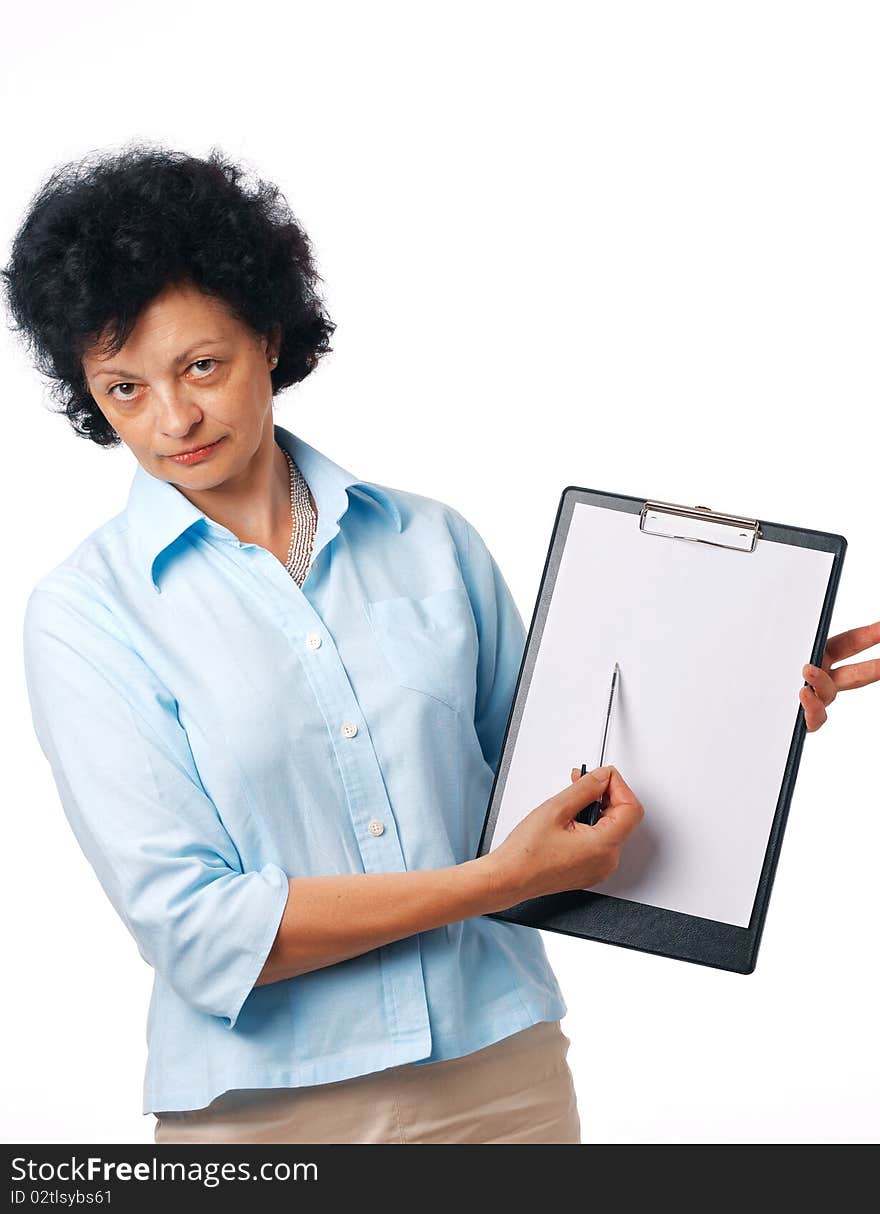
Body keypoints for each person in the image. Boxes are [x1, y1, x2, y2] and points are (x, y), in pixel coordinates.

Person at [6, 144, 876, 1146]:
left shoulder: (430, 542)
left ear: (269, 332)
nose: (174, 419)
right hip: (264, 1118)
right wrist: (494, 882)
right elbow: (200, 936)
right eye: (124, 388)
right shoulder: (86, 614)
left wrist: (737, 712)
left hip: (504, 1081)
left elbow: (568, 793)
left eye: (202, 364)